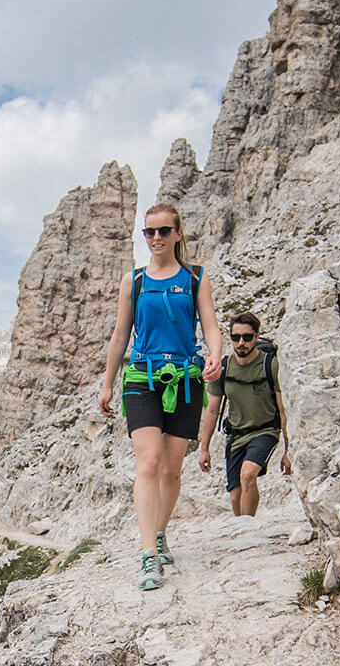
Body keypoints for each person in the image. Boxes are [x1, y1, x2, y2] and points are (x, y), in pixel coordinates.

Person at [99, 202, 223, 591]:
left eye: (164, 231)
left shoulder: (196, 278)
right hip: (141, 377)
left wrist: (215, 355)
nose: (156, 238)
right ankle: (149, 554)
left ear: (178, 233)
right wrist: (107, 383)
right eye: (149, 232)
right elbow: (121, 334)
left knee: (172, 470)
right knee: (149, 463)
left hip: (186, 378)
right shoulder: (133, 281)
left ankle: (160, 532)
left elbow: (210, 325)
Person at [197, 312, 292, 516]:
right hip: (236, 436)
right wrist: (204, 448)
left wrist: (288, 450)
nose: (241, 343)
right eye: (236, 337)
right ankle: (242, 525)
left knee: (248, 475)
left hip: (265, 431)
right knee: (235, 495)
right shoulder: (223, 368)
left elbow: (283, 409)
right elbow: (212, 410)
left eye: (247, 337)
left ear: (256, 336)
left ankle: (248, 525)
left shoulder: (270, 365)